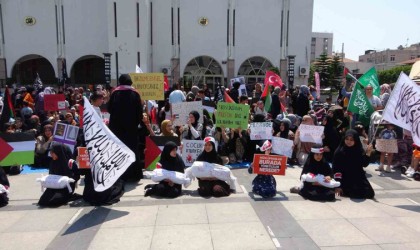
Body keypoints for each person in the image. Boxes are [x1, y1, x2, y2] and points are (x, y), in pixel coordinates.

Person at [108, 74, 143, 181]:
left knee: (119, 150)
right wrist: (135, 123)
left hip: (117, 129)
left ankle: (119, 174)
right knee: (132, 149)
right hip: (131, 129)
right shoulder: (135, 94)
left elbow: (109, 109)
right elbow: (139, 113)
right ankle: (134, 175)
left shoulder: (115, 93)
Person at [333, 129, 375, 199]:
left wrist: (368, 153)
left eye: (351, 140)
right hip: (344, 177)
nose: (349, 141)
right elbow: (336, 169)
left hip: (357, 176)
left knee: (370, 193)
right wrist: (338, 185)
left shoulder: (358, 150)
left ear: (355, 140)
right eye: (347, 139)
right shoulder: (339, 152)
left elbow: (364, 164)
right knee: (350, 192)